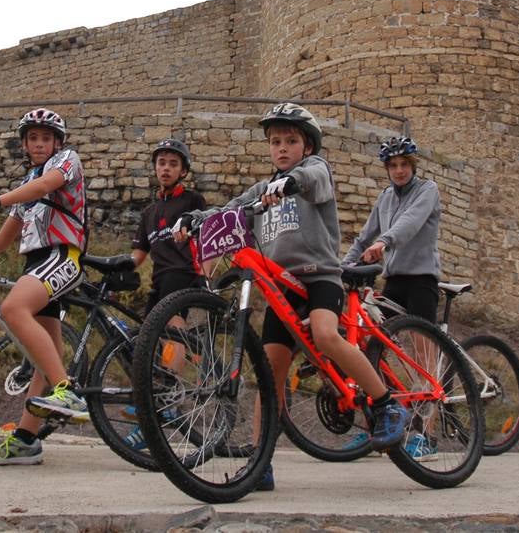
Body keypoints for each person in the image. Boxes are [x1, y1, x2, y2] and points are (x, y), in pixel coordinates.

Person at [176, 103, 410, 491]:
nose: (282, 148)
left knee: (325, 335)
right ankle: (260, 461)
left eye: (291, 141)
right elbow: (231, 209)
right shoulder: (262, 189)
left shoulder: (316, 171)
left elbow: (310, 179)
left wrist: (289, 183)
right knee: (270, 373)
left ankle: (387, 405)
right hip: (282, 286)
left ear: (307, 146)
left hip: (320, 277)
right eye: (275, 142)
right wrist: (196, 220)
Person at [0, 108, 90, 467]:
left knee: (13, 309)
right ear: (25, 145)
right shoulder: (27, 185)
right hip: (37, 264)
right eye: (34, 138)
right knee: (43, 357)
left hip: (63, 255)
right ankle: (26, 441)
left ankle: (69, 394)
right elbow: (2, 239)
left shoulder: (67, 161)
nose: (40, 143)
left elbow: (47, 186)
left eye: (46, 138)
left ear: (57, 142)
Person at [343, 134, 443, 457]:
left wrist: (385, 242)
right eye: (393, 166)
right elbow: (363, 237)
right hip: (395, 281)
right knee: (374, 351)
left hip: (422, 279)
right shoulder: (385, 198)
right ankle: (376, 427)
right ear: (386, 168)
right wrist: (342, 266)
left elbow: (410, 224)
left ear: (412, 166)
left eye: (404, 165)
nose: (399, 171)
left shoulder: (428, 190)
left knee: (423, 357)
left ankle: (427, 436)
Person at [121, 137, 207, 450]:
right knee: (146, 339)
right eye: (161, 163)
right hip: (158, 279)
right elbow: (138, 256)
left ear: (183, 170)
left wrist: (207, 274)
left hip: (183, 273)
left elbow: (207, 236)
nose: (166, 168)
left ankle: (170, 394)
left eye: (173, 164)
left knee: (171, 327)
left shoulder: (193, 200)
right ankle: (155, 406)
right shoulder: (149, 212)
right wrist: (111, 269)